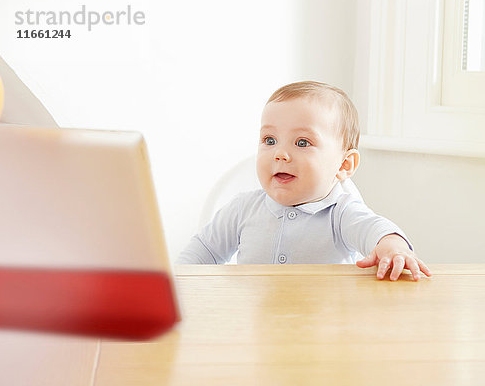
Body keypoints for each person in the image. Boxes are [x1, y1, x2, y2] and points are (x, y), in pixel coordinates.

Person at [177, 81, 432, 281]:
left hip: (321, 331)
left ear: (344, 165)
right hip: (256, 326)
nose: (280, 153)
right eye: (269, 140)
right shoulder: (243, 209)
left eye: (302, 143)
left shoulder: (340, 213)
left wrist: (393, 246)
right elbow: (204, 250)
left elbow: (373, 229)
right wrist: (175, 281)